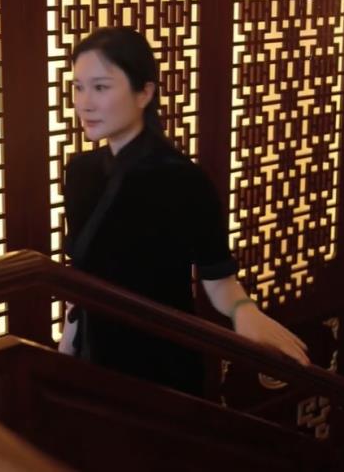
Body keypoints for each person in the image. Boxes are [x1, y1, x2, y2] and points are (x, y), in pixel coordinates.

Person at [57, 27, 309, 396]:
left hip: (164, 361)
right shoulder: (80, 172)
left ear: (144, 93)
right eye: (78, 87)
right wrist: (66, 345)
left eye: (101, 87)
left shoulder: (184, 179)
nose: (85, 103)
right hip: (93, 355)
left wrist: (244, 311)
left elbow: (218, 279)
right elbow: (81, 275)